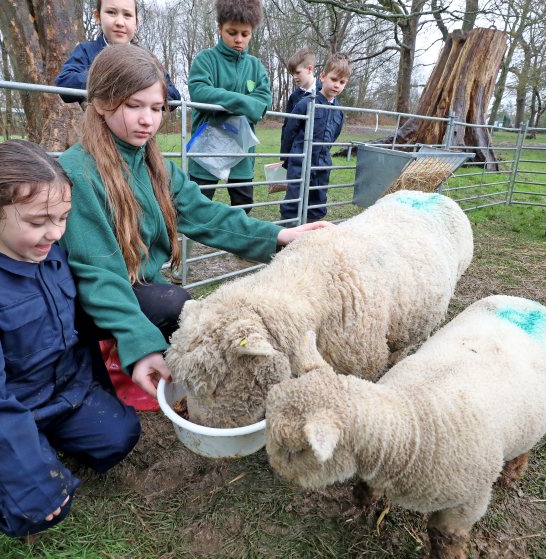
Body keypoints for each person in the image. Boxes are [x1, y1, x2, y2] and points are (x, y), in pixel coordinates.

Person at [58, 44, 331, 399]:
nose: (148, 120)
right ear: (99, 103)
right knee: (176, 303)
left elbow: (206, 214)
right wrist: (139, 343)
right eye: (133, 105)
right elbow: (97, 273)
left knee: (178, 304)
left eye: (157, 108)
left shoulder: (154, 166)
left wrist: (278, 236)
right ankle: (126, 361)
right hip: (84, 298)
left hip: (136, 283)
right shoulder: (78, 171)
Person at [0, 140, 141, 538]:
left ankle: (46, 444)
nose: (54, 232)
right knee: (35, 510)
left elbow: (82, 325)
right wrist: (29, 475)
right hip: (17, 404)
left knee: (121, 436)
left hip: (68, 392)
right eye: (37, 221)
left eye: (63, 217)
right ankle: (7, 468)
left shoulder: (52, 255)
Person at [186, 0, 271, 213]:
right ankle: (186, 247)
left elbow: (264, 102)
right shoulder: (205, 60)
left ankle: (239, 246)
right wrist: (244, 102)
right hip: (207, 149)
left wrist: (223, 102)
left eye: (245, 34)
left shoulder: (256, 66)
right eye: (232, 32)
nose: (238, 39)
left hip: (242, 150)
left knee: (243, 207)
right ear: (220, 29)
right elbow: (200, 92)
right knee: (195, 207)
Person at [55, 0, 181, 107]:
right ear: (97, 16)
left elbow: (173, 96)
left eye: (127, 15)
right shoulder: (86, 50)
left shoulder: (148, 59)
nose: (120, 22)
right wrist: (114, 79)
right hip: (97, 133)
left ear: (136, 22)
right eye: (111, 12)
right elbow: (65, 83)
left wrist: (143, 86)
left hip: (141, 133)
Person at [280, 53, 351, 223]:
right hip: (300, 162)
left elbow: (334, 135)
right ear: (323, 76)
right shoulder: (306, 103)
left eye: (342, 83)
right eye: (334, 79)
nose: (337, 85)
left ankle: (310, 236)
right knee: (294, 200)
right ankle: (287, 236)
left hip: (322, 164)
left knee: (318, 201)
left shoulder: (338, 112)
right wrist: (287, 158)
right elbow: (289, 131)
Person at [279, 48, 322, 169]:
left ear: (309, 69)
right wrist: (284, 156)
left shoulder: (323, 93)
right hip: (295, 156)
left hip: (316, 157)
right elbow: (287, 127)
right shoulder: (294, 96)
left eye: (297, 72)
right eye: (292, 74)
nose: (294, 77)